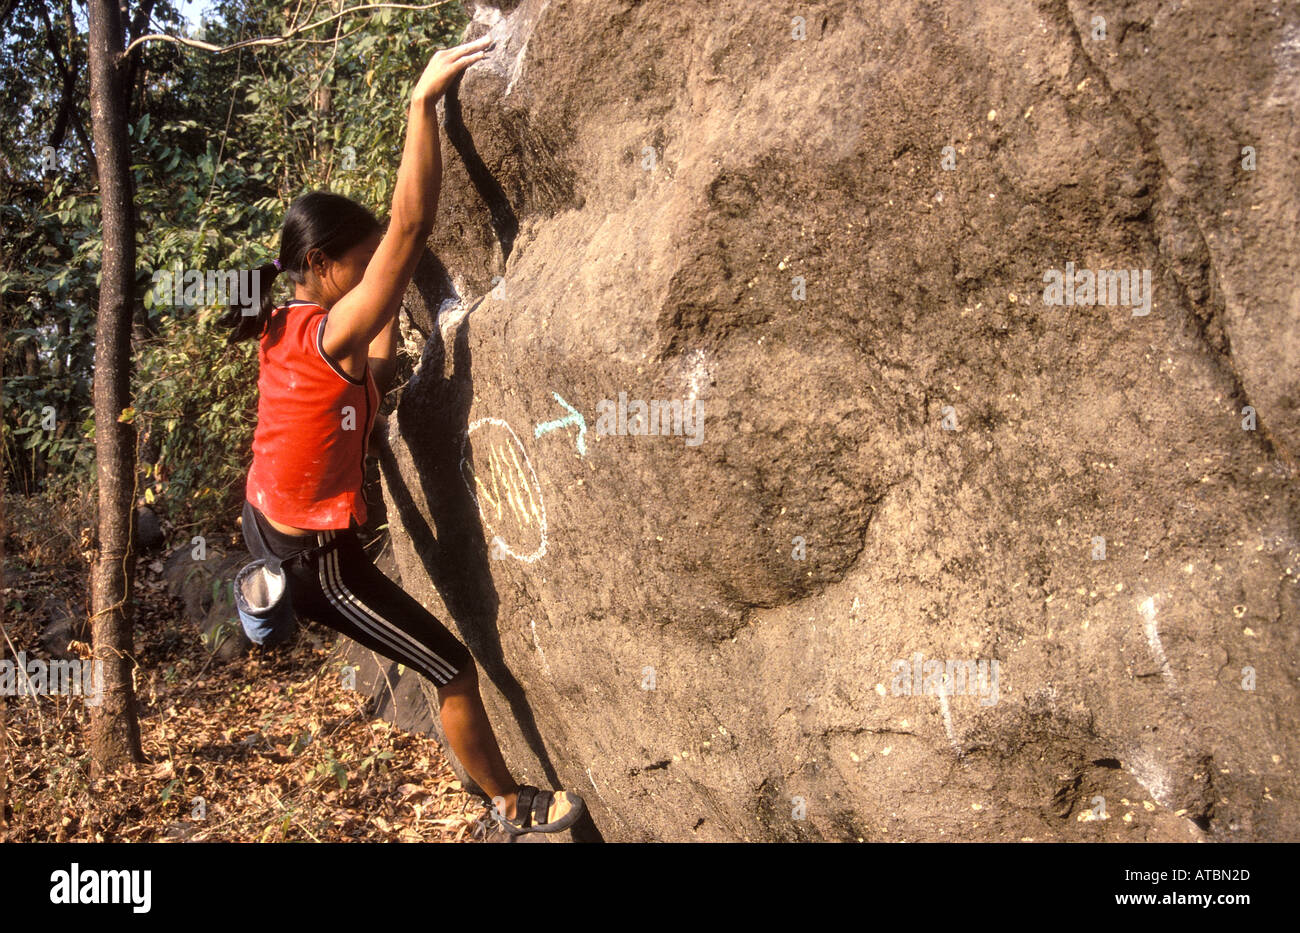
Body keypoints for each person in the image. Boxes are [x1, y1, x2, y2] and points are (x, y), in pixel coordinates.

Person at [219, 35, 583, 836]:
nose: (377, 261)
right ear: (322, 262)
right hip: (317, 563)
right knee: (450, 665)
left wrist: (390, 290)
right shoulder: (328, 333)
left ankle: (264, 607)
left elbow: (376, 363)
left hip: (263, 511)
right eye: (363, 256)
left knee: (367, 403)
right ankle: (507, 802)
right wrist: (421, 106)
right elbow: (411, 227)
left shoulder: (283, 319)